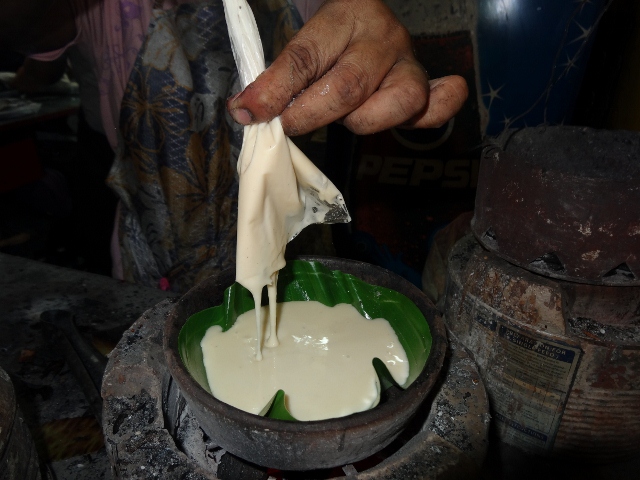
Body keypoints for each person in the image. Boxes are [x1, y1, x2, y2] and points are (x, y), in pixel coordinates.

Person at [1, 0, 468, 292]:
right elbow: (20, 27)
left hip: (289, 257)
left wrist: (376, 47)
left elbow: (357, 26)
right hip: (150, 272)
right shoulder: (101, 11)